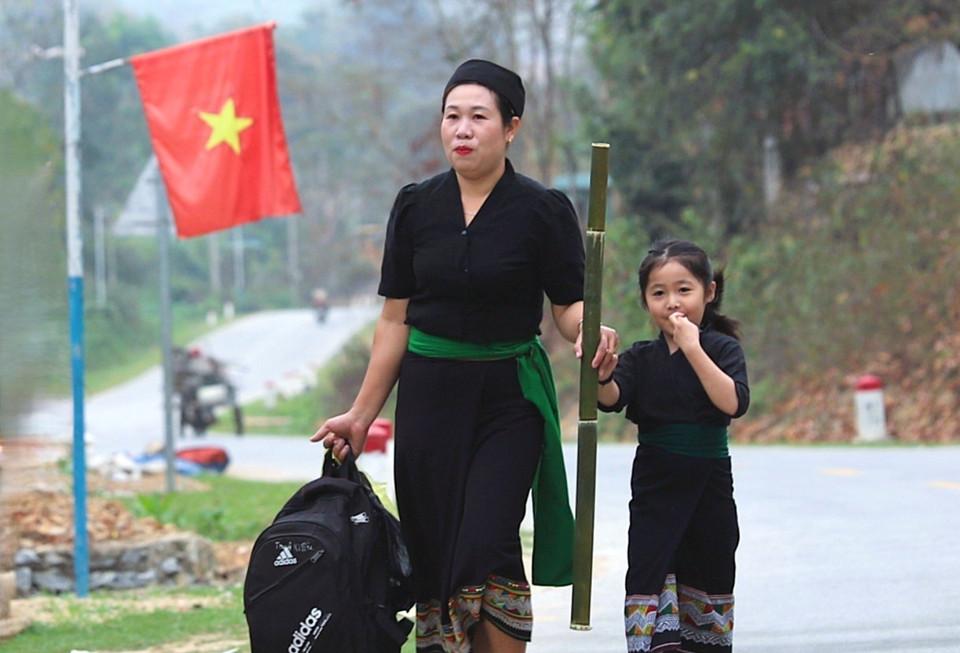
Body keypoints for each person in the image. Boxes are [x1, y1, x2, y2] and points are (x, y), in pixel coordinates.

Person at [311, 59, 618, 653]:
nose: (463, 129)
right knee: (436, 549)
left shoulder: (542, 209)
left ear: (511, 128)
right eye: (452, 116)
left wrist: (592, 327)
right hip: (428, 400)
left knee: (488, 542)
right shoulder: (415, 207)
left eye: (479, 117)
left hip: (509, 397)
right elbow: (395, 320)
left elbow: (570, 306)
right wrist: (361, 414)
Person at [597, 239, 749, 653]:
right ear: (645, 301)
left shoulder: (721, 348)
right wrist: (602, 375)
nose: (672, 303)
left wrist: (693, 347)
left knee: (709, 570)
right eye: (658, 293)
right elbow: (611, 398)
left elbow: (732, 402)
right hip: (655, 487)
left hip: (709, 486)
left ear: (709, 292)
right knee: (650, 574)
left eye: (684, 290)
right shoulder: (641, 356)